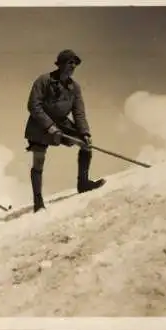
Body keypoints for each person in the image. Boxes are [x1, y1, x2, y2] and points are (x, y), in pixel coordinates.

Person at [24, 49, 106, 213]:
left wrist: (84, 133)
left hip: (62, 124)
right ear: (60, 64)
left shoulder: (74, 87)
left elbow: (78, 112)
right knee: (39, 160)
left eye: (75, 63)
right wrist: (49, 127)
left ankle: (83, 183)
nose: (73, 66)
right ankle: (38, 202)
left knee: (86, 145)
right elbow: (33, 105)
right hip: (40, 125)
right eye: (69, 62)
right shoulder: (44, 80)